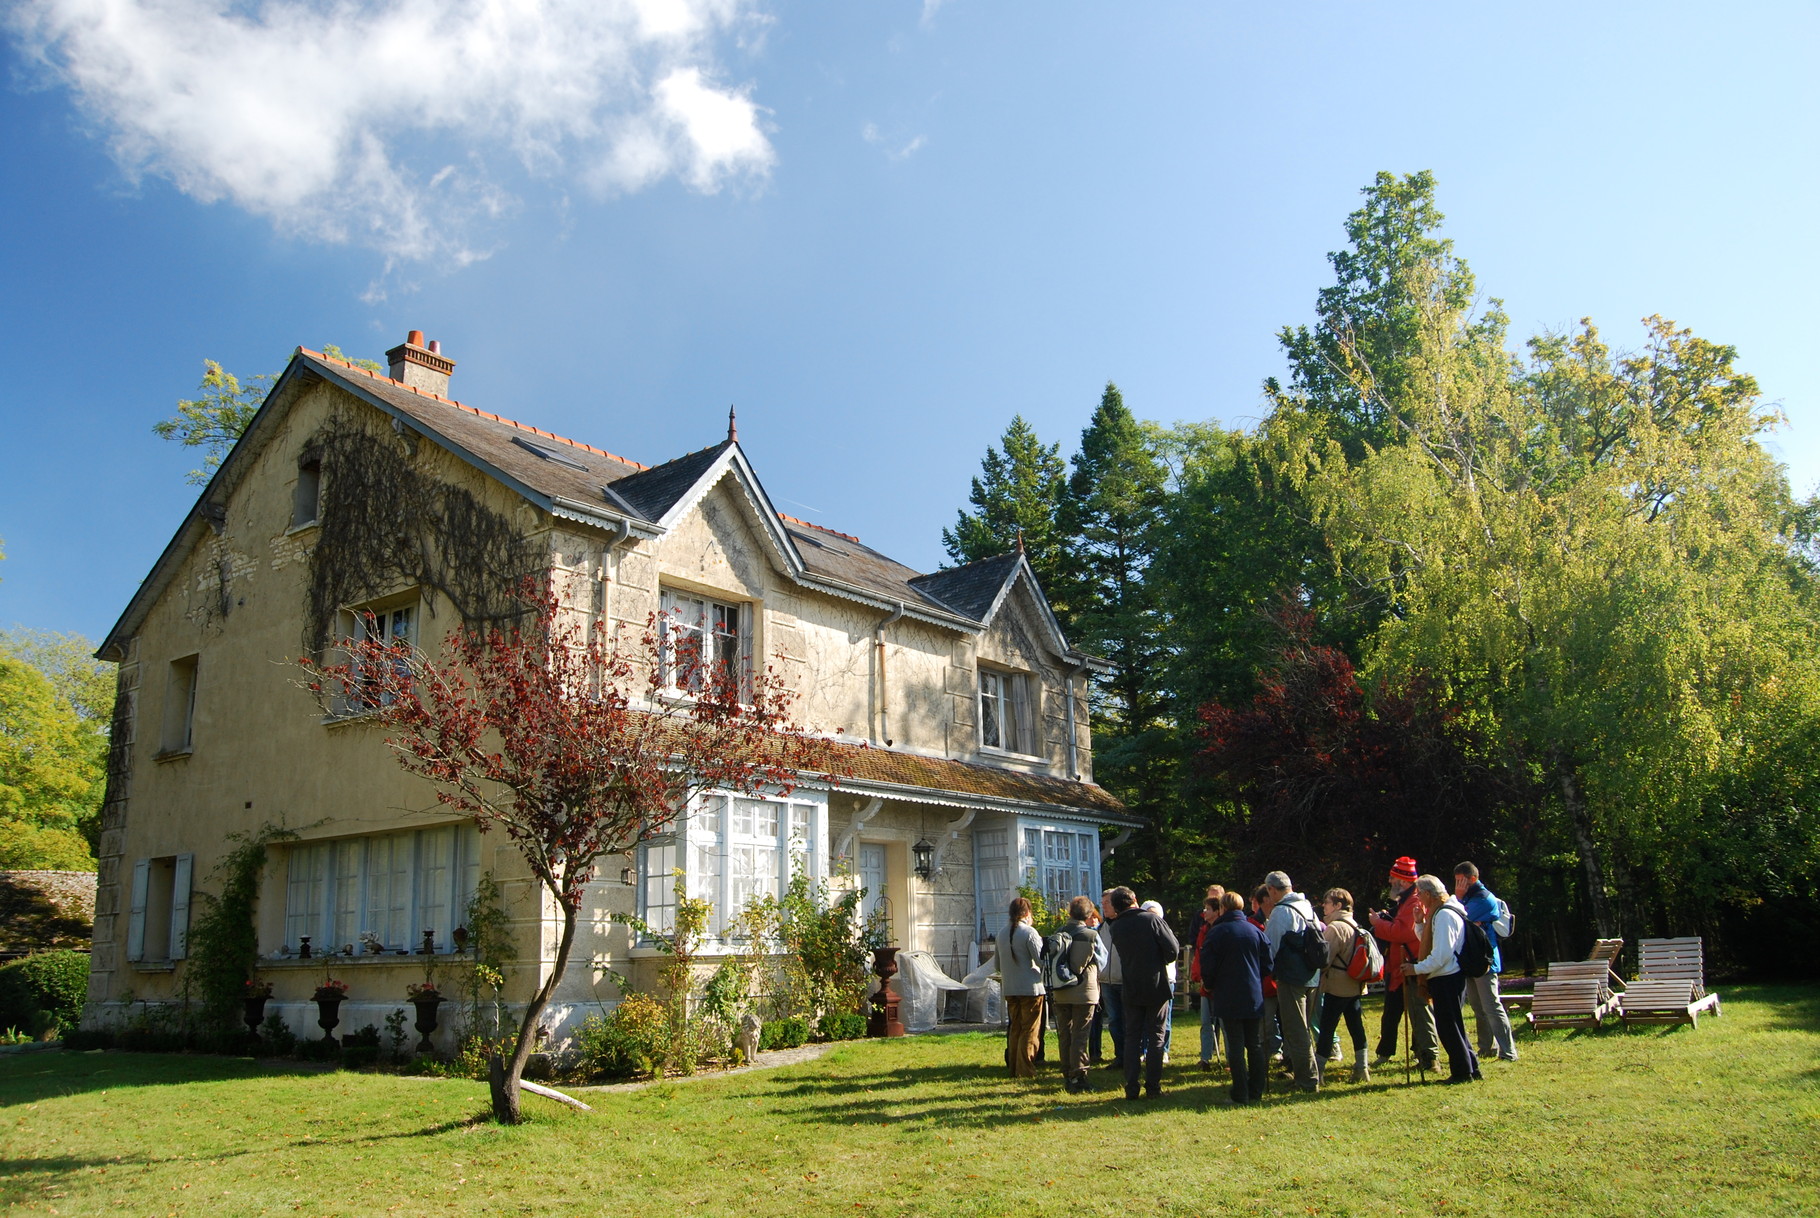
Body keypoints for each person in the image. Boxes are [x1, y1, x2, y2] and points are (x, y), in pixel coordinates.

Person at [1402, 874, 1481, 1084]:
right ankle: (1471, 1068)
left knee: (1449, 1028)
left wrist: (1416, 969)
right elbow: (1432, 944)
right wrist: (1420, 924)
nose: (1418, 898)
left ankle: (1462, 1073)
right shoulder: (1439, 913)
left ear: (1429, 894)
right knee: (1453, 1025)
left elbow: (1441, 954)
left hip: (1447, 977)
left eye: (1419, 894)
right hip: (1446, 975)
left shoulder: (1445, 915)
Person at [1107, 887, 1179, 1100]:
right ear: (1135, 900)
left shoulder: (1116, 927)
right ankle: (1153, 1087)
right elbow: (1172, 950)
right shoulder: (1152, 920)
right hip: (1155, 983)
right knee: (1156, 1035)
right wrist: (1159, 960)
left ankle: (1131, 1087)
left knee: (1132, 1037)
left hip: (1131, 984)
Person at [1200, 890, 1271, 1105]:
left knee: (1236, 1044)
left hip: (1227, 993)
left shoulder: (1217, 932)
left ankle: (1240, 1092)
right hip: (1252, 992)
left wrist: (1210, 984)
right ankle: (1256, 1090)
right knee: (1254, 1043)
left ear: (1222, 908)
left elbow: (1208, 966)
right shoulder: (1255, 930)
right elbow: (1268, 963)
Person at [1368, 857, 1439, 1072]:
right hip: (1400, 967)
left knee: (1420, 1012)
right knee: (1392, 1011)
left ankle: (1428, 1057)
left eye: (1393, 878)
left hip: (1412, 966)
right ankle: (1387, 1052)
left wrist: (1378, 923)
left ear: (1404, 881)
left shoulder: (1414, 901)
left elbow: (1402, 932)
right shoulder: (1407, 900)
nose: (1390, 881)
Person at [1262, 871, 1321, 1093]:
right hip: (1311, 975)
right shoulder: (1306, 906)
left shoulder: (1281, 912)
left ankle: (1307, 1080)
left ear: (1272, 889)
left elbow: (1271, 946)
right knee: (1303, 1027)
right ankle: (1306, 1074)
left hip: (1291, 977)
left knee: (1295, 1029)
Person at [1454, 862, 1519, 1062]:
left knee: (1492, 1006)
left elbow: (1458, 917)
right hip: (1472, 961)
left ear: (1471, 879)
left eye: (1460, 881)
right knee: (1478, 1008)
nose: (1457, 885)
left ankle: (1508, 1051)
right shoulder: (1471, 898)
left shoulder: (1484, 898)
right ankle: (1486, 1047)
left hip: (1485, 962)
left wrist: (1457, 898)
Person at [1314, 888, 1370, 1084]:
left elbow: (1324, 959)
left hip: (1337, 985)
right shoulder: (1354, 924)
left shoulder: (1335, 928)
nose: (1324, 906)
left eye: (1327, 902)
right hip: (1355, 985)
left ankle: (1318, 1073)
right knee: (1356, 1027)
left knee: (1327, 1028)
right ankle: (1362, 1068)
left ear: (1338, 905)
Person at [1051, 895, 1102, 1092]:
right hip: (1084, 991)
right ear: (1089, 914)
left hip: (1061, 990)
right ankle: (1079, 1075)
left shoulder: (1059, 932)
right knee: (1081, 1034)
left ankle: (1067, 1073)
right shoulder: (1090, 935)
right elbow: (1095, 962)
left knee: (1065, 1033)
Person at [996, 896, 1045, 1078]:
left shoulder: (1001, 933)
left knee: (1015, 1028)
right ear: (1026, 913)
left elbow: (997, 966)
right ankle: (1026, 1070)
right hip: (1031, 989)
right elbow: (1041, 960)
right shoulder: (1029, 932)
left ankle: (1014, 1068)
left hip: (1010, 988)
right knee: (1030, 1030)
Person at [1191, 888, 1226, 1071]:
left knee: (1224, 1022)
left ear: (1217, 911)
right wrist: (1198, 976)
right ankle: (1206, 1058)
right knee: (1206, 1022)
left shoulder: (1222, 930)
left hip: (1222, 984)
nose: (1204, 912)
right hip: (1205, 983)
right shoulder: (1203, 930)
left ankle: (1230, 1059)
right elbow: (1199, 955)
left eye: (1207, 909)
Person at [1140, 899, 1176, 1066]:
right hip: (1146, 979)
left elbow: (1171, 953)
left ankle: (1164, 1051)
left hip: (1165, 978)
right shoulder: (1139, 934)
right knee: (1146, 1019)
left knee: (1164, 1020)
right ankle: (1146, 1050)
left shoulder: (1166, 931)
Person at [1249, 885, 1282, 1061]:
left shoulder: (1281, 918)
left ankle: (1286, 1055)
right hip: (1265, 983)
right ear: (1266, 900)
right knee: (1266, 1023)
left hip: (1283, 980)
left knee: (1285, 1022)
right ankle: (1264, 1055)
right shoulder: (1253, 925)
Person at [1097, 890, 1125, 1072]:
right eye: (1103, 903)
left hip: (1124, 980)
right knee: (1114, 1021)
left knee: (1129, 1020)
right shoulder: (1102, 928)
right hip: (1107, 981)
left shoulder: (1127, 924)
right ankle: (1120, 1056)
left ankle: (1132, 1055)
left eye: (1107, 903)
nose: (1103, 907)